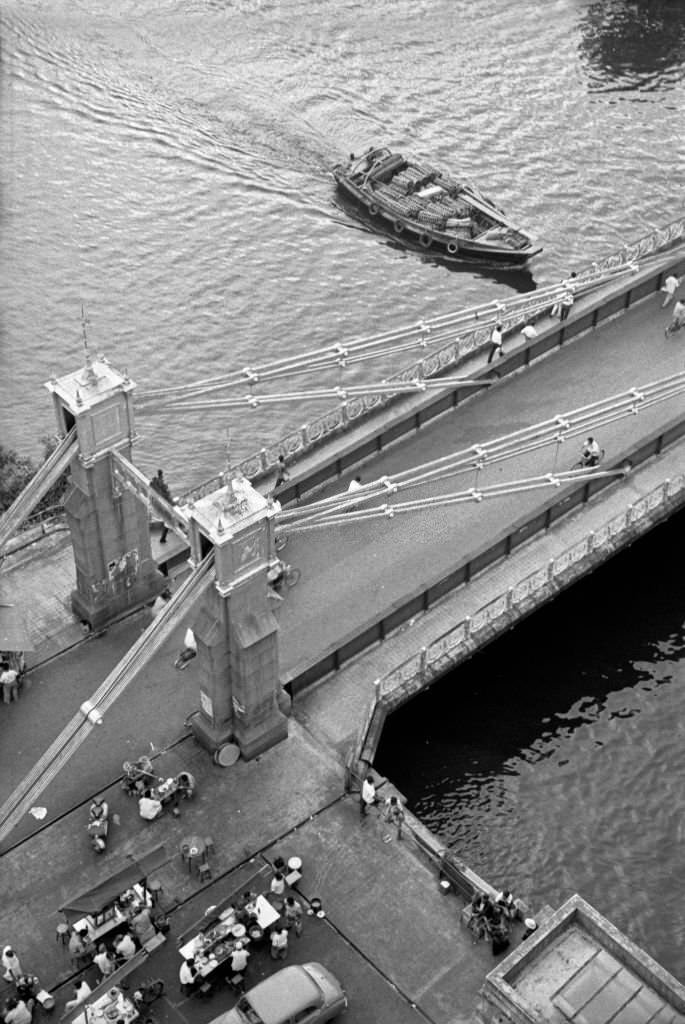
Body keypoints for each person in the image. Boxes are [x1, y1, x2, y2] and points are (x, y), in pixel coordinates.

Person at [149, 469, 173, 543]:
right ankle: (163, 538)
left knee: (167, 523)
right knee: (168, 522)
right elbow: (165, 493)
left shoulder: (155, 483)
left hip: (159, 505)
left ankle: (163, 538)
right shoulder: (161, 484)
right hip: (164, 506)